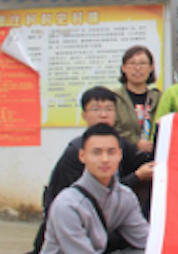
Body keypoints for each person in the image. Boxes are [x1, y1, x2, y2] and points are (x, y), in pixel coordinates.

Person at [33, 124, 149, 254]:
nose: (105, 159)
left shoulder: (124, 197)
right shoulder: (67, 205)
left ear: (120, 155)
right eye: (97, 152)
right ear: (82, 156)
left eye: (111, 152)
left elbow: (146, 240)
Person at [43, 87, 154, 216]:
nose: (103, 115)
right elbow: (93, 194)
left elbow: (142, 161)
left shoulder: (121, 143)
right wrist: (137, 177)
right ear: (84, 115)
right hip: (74, 216)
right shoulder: (75, 151)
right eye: (96, 109)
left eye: (109, 109)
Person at [114, 45, 161, 155]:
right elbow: (113, 128)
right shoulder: (115, 98)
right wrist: (136, 142)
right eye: (132, 63)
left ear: (151, 68)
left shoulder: (159, 97)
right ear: (123, 68)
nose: (138, 68)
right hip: (124, 156)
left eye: (142, 63)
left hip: (155, 156)